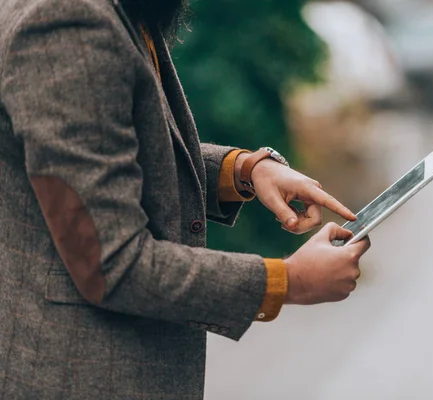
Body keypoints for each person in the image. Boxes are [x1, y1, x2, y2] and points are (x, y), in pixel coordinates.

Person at [0, 0, 371, 398]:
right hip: (80, 375)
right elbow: (115, 262)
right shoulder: (68, 23)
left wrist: (244, 170)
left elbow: (116, 153)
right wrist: (287, 281)